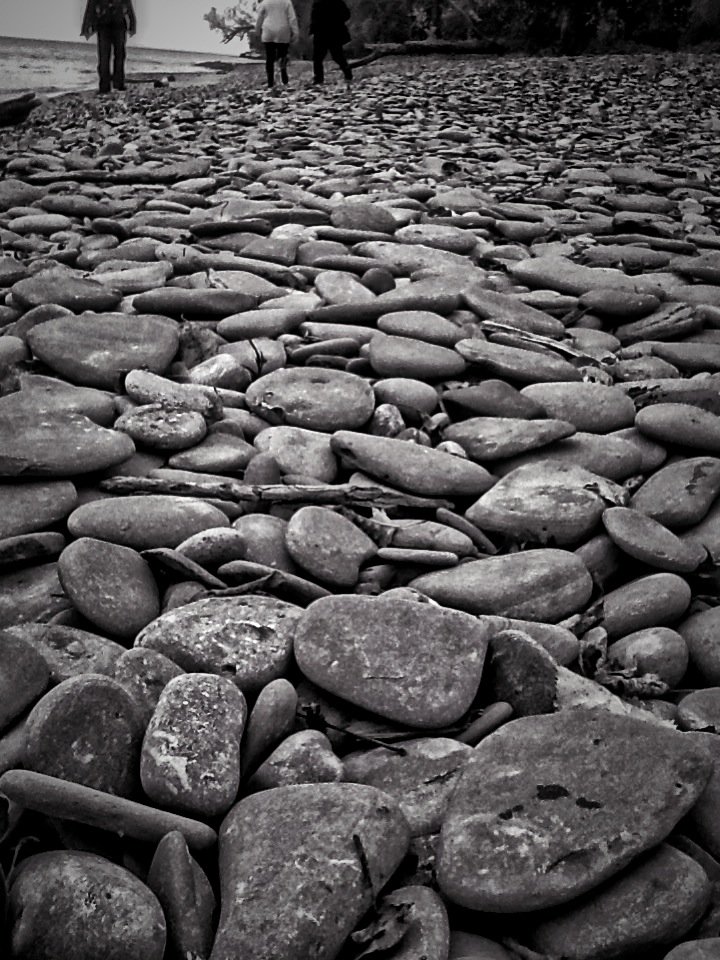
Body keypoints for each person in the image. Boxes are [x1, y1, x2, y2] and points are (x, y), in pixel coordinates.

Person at [81, 0, 137, 95]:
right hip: (103, 25)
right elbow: (90, 7)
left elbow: (128, 5)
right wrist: (85, 27)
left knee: (119, 55)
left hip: (118, 25)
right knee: (104, 57)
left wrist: (132, 24)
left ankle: (118, 84)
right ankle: (105, 86)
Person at [255, 0, 299, 91]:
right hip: (283, 30)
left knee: (269, 57)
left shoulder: (265, 2)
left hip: (268, 30)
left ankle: (270, 82)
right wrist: (295, 32)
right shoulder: (287, 2)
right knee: (282, 55)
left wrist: (257, 29)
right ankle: (284, 78)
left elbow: (260, 17)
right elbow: (292, 18)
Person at [310, 0, 352, 87]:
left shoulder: (318, 3)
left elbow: (314, 18)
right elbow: (346, 15)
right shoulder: (337, 2)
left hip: (321, 33)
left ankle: (318, 80)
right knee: (337, 56)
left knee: (318, 58)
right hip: (334, 32)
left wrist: (312, 30)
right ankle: (348, 74)